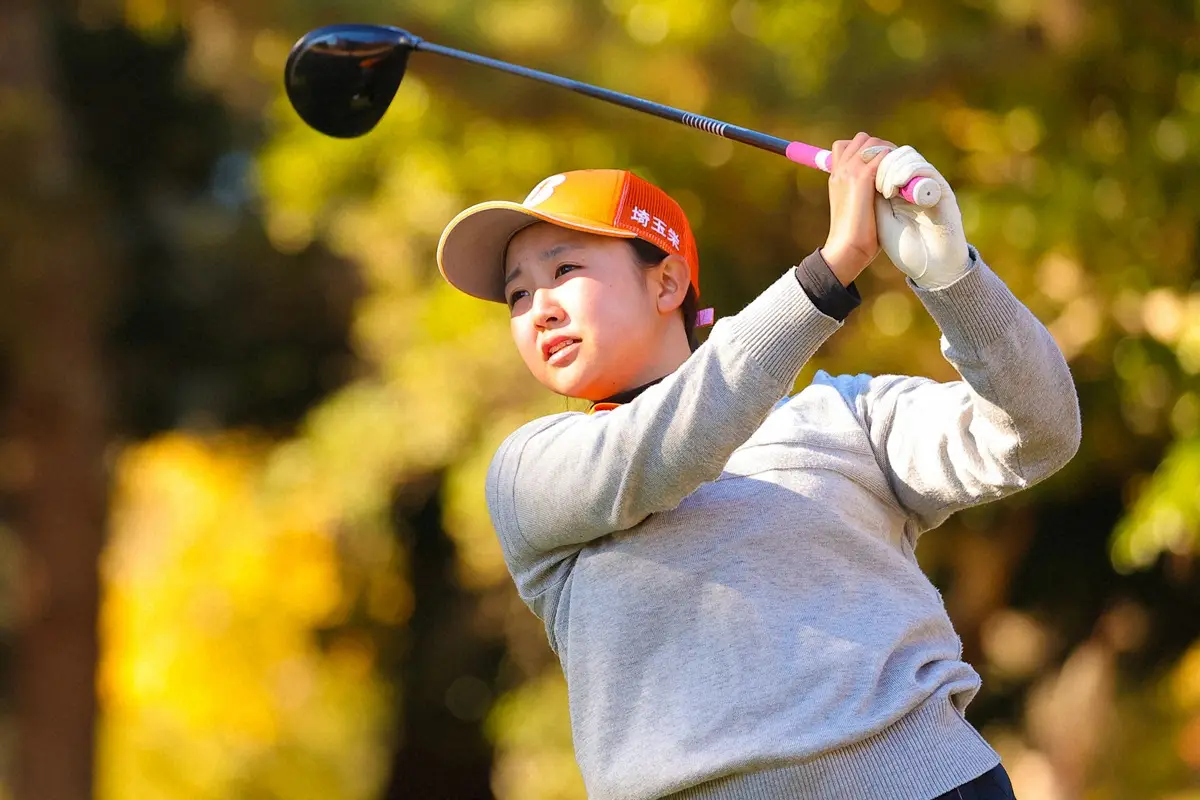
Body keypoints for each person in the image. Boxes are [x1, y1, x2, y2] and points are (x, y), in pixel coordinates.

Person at [435, 133, 1080, 800]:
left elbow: (1039, 434)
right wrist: (832, 268)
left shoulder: (846, 415)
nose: (538, 308)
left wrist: (954, 279)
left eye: (564, 270)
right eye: (516, 296)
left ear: (667, 283)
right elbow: (673, 443)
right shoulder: (531, 471)